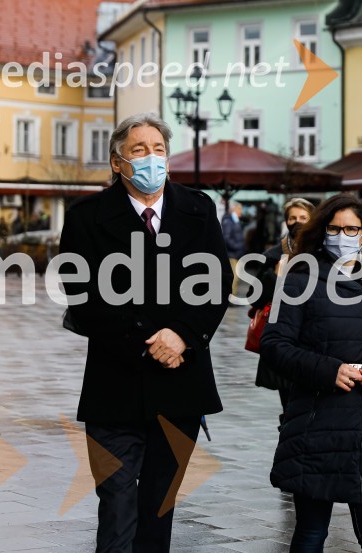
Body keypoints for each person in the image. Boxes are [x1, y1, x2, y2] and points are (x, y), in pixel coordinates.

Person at [59, 112, 233, 553]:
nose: (151, 158)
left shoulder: (198, 208)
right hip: (114, 387)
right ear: (118, 162)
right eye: (139, 150)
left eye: (158, 149)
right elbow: (83, 298)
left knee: (160, 507)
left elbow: (216, 285)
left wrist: (182, 336)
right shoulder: (87, 217)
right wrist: (151, 341)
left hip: (181, 387)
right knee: (117, 507)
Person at [260, 194, 362, 553]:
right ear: (322, 230)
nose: (342, 235)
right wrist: (330, 370)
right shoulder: (300, 278)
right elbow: (275, 344)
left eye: (351, 229)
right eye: (334, 228)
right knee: (311, 534)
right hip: (316, 428)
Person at [248, 197, 315, 430]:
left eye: (303, 218)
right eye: (293, 218)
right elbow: (253, 296)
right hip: (283, 335)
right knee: (289, 399)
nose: (297, 222)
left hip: (315, 336)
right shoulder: (273, 255)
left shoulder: (324, 253)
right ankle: (289, 432)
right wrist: (276, 276)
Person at [221, 200, 245, 296]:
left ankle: (232, 295)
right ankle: (231, 297)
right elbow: (226, 238)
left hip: (236, 253)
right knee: (234, 277)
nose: (241, 212)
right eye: (239, 209)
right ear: (234, 210)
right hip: (232, 254)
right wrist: (237, 246)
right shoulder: (228, 221)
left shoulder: (234, 220)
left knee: (236, 276)